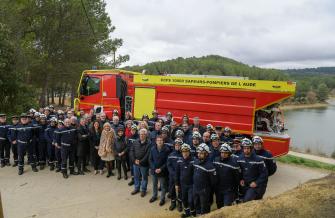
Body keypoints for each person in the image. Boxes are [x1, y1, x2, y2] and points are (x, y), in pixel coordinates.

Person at [237, 138, 268, 202]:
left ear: (251, 148)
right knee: (240, 200)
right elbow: (240, 171)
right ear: (242, 149)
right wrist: (241, 179)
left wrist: (256, 183)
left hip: (255, 186)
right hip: (245, 185)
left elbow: (264, 174)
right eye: (244, 148)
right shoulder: (240, 158)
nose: (246, 150)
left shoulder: (258, 160)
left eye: (248, 148)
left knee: (247, 200)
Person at [213, 144, 240, 208]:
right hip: (218, 189)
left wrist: (235, 192)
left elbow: (237, 179)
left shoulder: (234, 164)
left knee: (226, 207)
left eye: (225, 153)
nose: (223, 154)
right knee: (219, 206)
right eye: (222, 152)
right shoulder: (216, 160)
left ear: (229, 153)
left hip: (229, 190)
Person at [193, 143, 217, 215]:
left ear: (206, 154)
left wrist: (208, 191)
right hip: (195, 188)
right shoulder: (196, 161)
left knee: (205, 208)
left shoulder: (210, 166)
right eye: (198, 153)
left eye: (201, 153)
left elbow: (213, 181)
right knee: (196, 204)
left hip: (204, 191)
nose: (199, 154)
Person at [149, 135, 170, 206]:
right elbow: (150, 160)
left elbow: (167, 162)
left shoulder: (167, 150)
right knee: (154, 184)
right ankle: (154, 196)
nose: (159, 142)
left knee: (163, 186)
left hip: (163, 171)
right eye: (158, 140)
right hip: (154, 171)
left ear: (163, 141)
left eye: (161, 140)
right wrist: (154, 168)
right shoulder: (152, 149)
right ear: (156, 141)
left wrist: (161, 169)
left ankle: (162, 199)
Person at [175, 143, 195, 218]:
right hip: (182, 185)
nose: (185, 153)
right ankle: (187, 213)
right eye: (183, 151)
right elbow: (176, 174)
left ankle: (193, 214)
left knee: (191, 200)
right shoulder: (179, 161)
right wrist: (176, 184)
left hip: (191, 185)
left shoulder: (193, 161)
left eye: (186, 151)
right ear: (181, 152)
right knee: (184, 200)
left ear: (189, 152)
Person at [130, 128, 151, 197]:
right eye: (141, 134)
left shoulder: (149, 143)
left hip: (144, 164)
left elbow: (148, 154)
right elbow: (132, 151)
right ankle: (136, 188)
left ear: (146, 135)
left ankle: (143, 190)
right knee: (136, 176)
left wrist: (141, 161)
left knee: (144, 178)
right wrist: (134, 160)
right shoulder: (135, 141)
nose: (142, 135)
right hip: (135, 163)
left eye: (143, 134)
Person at [167, 138, 183, 211]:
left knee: (180, 191)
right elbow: (169, 165)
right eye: (176, 145)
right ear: (174, 146)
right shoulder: (171, 155)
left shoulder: (184, 154)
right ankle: (173, 203)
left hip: (181, 177)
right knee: (172, 190)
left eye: (179, 145)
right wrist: (174, 173)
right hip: (172, 177)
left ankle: (179, 204)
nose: (177, 146)